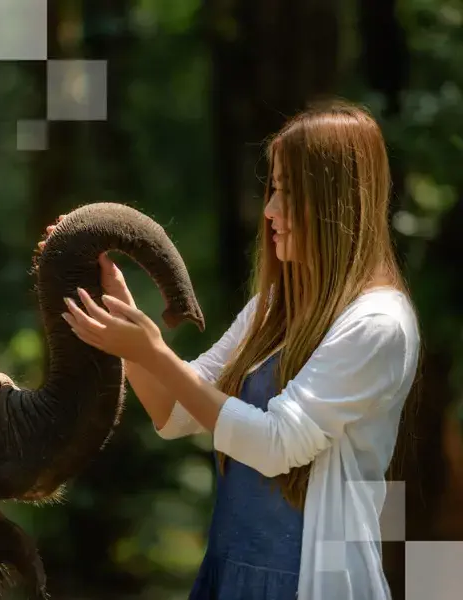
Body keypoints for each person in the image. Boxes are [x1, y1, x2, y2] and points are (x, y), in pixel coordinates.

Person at [38, 101, 420, 600]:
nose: (269, 211)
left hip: (305, 585)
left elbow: (276, 444)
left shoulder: (379, 324)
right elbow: (176, 411)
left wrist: (153, 353)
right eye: (272, 189)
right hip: (231, 574)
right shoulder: (277, 305)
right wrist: (123, 315)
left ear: (333, 202)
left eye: (286, 192)